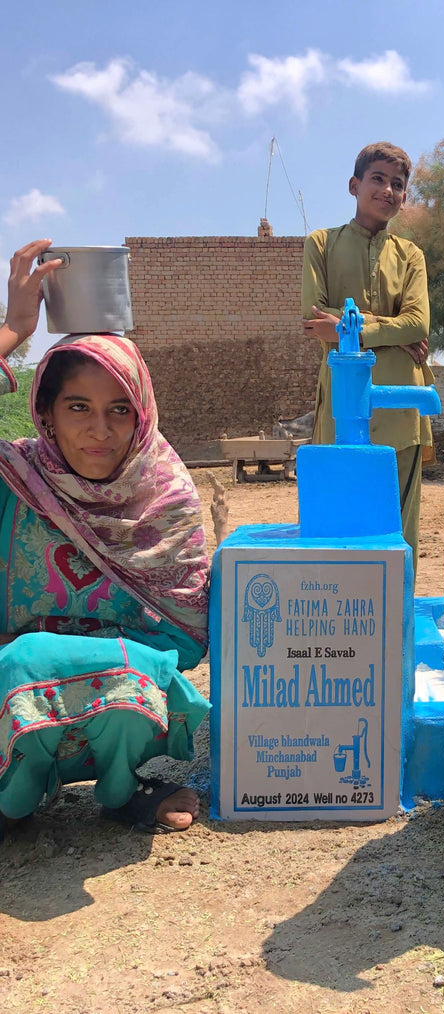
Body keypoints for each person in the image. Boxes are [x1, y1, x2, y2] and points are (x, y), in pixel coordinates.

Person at [0, 239, 211, 840]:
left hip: (121, 704)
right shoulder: (18, 480)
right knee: (14, 667)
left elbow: (182, 642)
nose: (100, 430)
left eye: (120, 409)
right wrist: (15, 327)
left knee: (127, 676)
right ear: (46, 410)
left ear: (142, 412)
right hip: (6, 700)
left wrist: (54, 649)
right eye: (78, 407)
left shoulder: (163, 496)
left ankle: (121, 791)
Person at [301, 141, 432, 575]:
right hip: (341, 403)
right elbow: (313, 317)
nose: (388, 190)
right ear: (355, 185)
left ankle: (397, 624)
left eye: (398, 184)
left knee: (399, 521)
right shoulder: (320, 244)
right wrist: (391, 330)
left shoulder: (411, 256)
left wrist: (354, 328)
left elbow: (418, 323)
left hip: (401, 405)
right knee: (338, 514)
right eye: (378, 179)